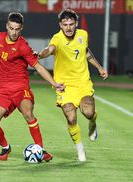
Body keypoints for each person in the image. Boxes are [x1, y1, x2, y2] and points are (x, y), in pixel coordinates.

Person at [0, 12, 64, 161]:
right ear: (7, 26)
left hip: (20, 87)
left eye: (17, 29)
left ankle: (40, 150)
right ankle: (6, 147)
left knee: (28, 113)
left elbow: (38, 67)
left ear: (21, 28)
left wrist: (54, 83)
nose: (14, 32)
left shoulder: (23, 46)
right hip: (2, 90)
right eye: (11, 28)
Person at [38, 9, 108, 162]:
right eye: (65, 25)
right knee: (71, 118)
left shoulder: (83, 35)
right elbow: (49, 50)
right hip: (65, 86)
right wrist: (40, 54)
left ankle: (93, 122)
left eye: (71, 24)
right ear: (60, 25)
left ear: (76, 24)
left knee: (88, 113)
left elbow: (86, 52)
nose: (68, 28)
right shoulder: (57, 39)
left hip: (83, 83)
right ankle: (80, 150)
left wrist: (99, 67)